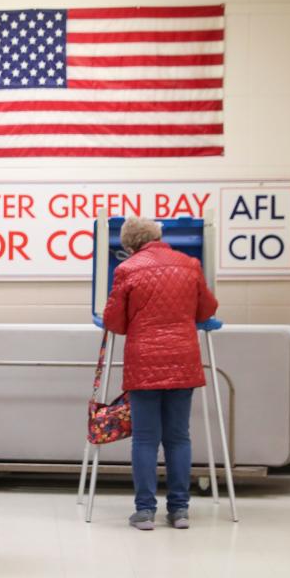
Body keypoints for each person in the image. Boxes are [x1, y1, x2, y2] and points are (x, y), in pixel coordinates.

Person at [101, 217, 218, 531]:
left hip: (145, 363)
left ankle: (145, 512)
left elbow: (115, 322)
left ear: (128, 244)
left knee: (145, 439)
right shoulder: (190, 264)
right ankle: (179, 511)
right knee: (179, 438)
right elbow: (206, 310)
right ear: (158, 236)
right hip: (184, 360)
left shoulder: (126, 269)